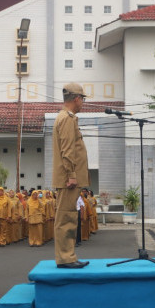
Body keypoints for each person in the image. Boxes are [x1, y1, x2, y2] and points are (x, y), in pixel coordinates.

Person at [52, 83, 90, 269]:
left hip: (68, 177)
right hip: (69, 178)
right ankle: (66, 258)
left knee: (68, 216)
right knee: (66, 217)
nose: (83, 102)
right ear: (76, 99)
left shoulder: (66, 117)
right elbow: (67, 150)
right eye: (83, 99)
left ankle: (68, 256)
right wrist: (72, 175)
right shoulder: (67, 118)